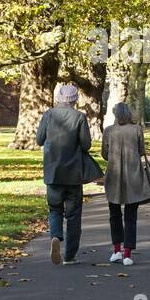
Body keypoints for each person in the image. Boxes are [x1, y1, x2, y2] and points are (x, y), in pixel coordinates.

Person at [36, 83, 101, 265]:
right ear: (75, 99)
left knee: (54, 209)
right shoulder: (80, 117)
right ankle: (70, 256)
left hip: (53, 172)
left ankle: (55, 236)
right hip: (74, 173)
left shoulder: (48, 115)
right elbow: (86, 145)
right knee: (73, 216)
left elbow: (39, 140)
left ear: (59, 97)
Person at [101, 102, 149, 266]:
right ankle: (128, 254)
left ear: (115, 114)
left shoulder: (108, 131)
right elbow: (142, 151)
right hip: (133, 176)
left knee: (114, 215)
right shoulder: (136, 129)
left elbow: (104, 154)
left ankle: (116, 251)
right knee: (131, 216)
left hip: (113, 176)